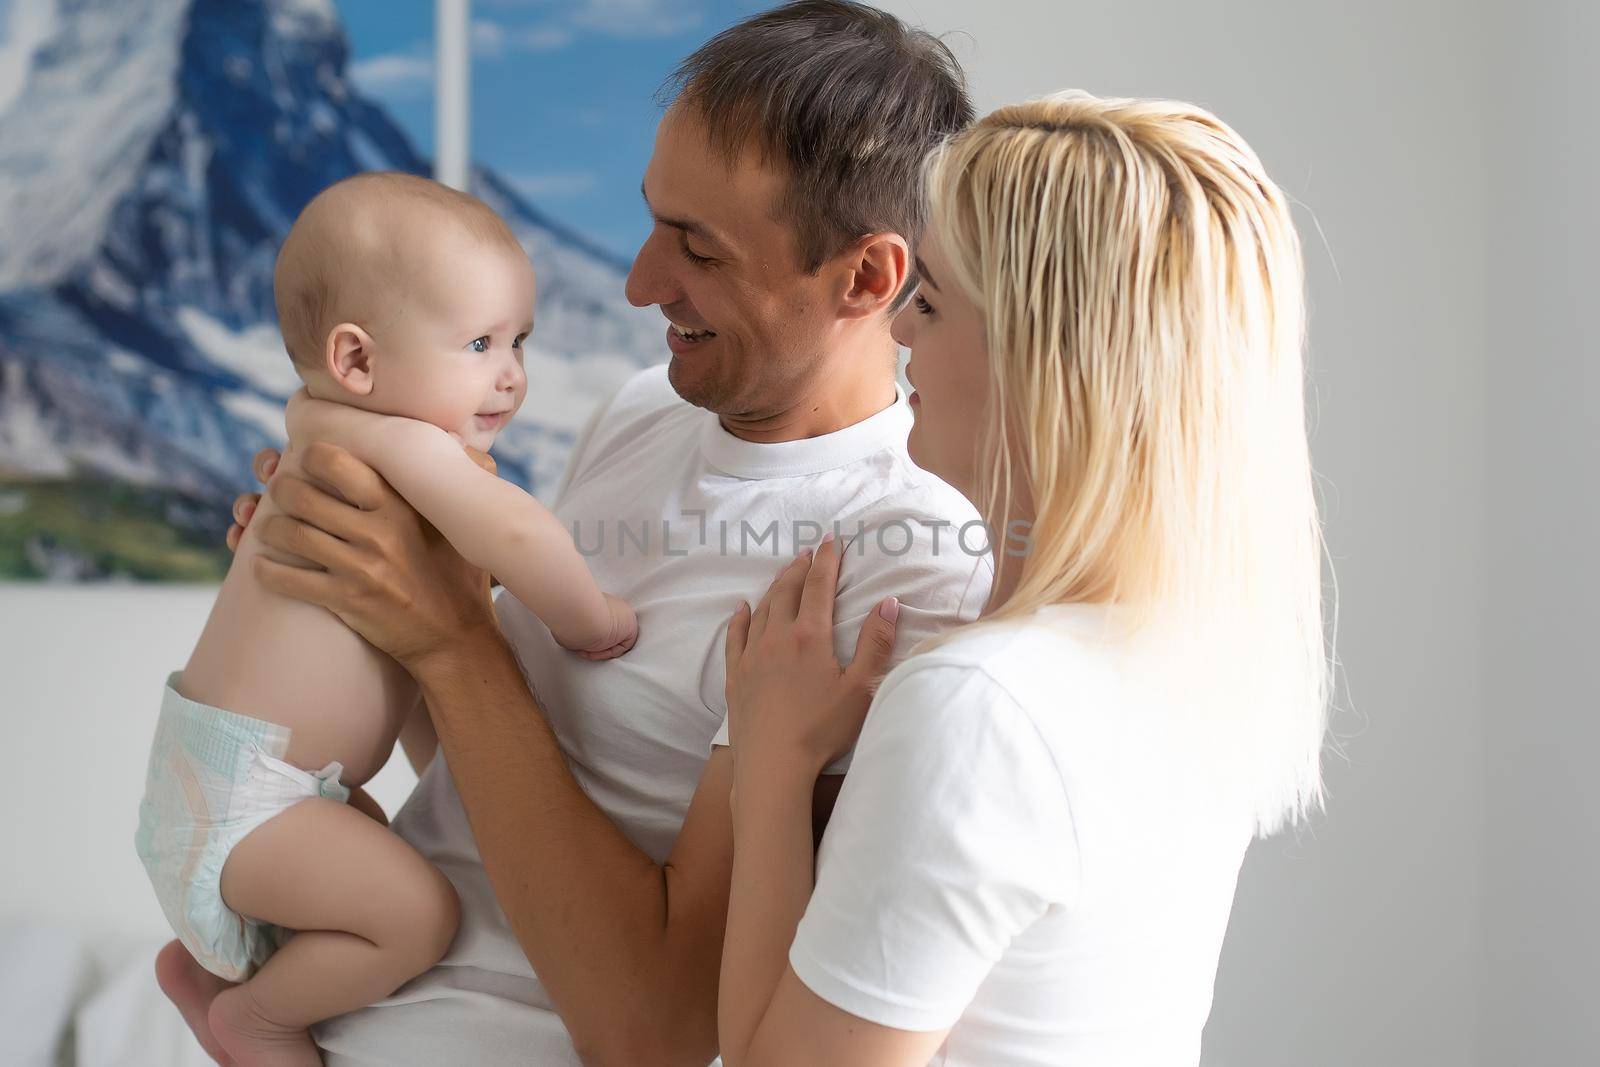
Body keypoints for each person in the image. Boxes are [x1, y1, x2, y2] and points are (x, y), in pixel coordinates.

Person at [160, 3, 985, 1064]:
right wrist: (354, 603)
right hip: (342, 1017)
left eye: (696, 249)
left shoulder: (895, 557)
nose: (639, 282)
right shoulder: (647, 409)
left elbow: (662, 1032)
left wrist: (446, 634)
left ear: (867, 278)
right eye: (650, 219)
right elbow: (488, 774)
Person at [717, 91, 1330, 1066]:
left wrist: (770, 765)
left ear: (1041, 359)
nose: (901, 337)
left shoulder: (983, 705)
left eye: (929, 302)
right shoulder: (1187, 654)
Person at [139, 173, 637, 1066]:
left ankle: (205, 980)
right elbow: (519, 531)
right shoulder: (401, 444)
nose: (512, 374)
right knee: (419, 915)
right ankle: (256, 1021)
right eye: (480, 342)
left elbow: (420, 676)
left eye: (520, 339)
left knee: (401, 880)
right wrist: (587, 618)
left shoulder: (325, 433)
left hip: (243, 780)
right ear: (358, 362)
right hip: (252, 800)